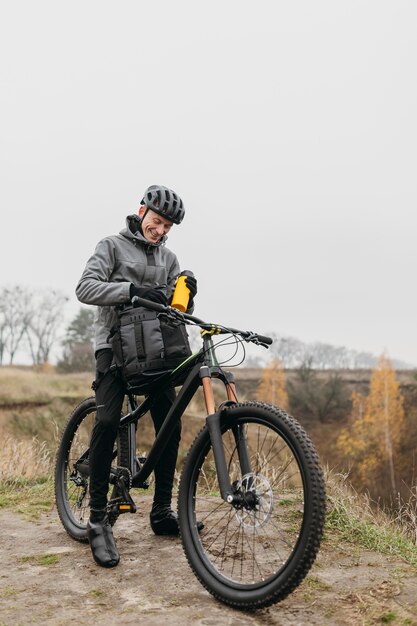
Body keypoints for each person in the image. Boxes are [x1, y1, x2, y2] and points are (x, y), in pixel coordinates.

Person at [76, 184, 197, 568]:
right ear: (141, 211)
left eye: (167, 227)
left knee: (170, 422)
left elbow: (174, 308)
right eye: (157, 222)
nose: (160, 231)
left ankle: (161, 511)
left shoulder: (169, 258)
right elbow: (85, 288)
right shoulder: (111, 246)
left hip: (154, 352)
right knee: (108, 419)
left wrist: (187, 292)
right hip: (113, 349)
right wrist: (131, 290)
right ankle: (97, 521)